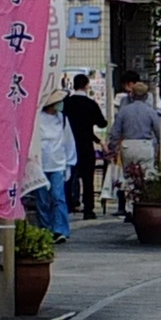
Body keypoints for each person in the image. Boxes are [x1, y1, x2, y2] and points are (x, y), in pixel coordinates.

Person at [108, 79, 161, 218]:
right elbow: (158, 131)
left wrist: (112, 148)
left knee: (128, 177)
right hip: (145, 144)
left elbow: (115, 132)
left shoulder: (124, 111)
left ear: (132, 95)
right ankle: (145, 204)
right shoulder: (150, 112)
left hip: (128, 145)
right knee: (147, 176)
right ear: (146, 96)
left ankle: (129, 208)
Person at [32, 89, 76, 242]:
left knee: (58, 198)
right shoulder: (37, 119)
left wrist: (69, 164)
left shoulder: (63, 119)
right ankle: (45, 229)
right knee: (42, 200)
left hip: (58, 164)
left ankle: (60, 229)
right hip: (40, 165)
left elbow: (69, 142)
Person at [62, 74, 107, 220]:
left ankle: (68, 205)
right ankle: (89, 209)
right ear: (87, 85)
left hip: (68, 144)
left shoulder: (66, 103)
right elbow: (102, 123)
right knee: (88, 178)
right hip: (86, 144)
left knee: (68, 175)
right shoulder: (90, 104)